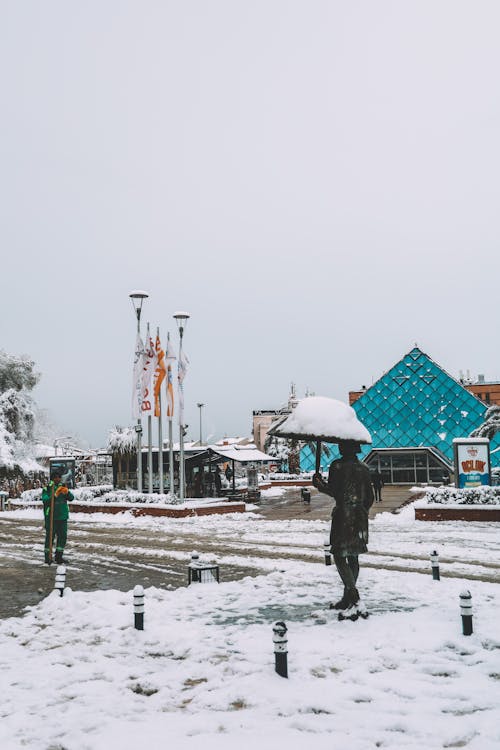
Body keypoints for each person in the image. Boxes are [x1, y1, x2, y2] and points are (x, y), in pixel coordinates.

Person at [313, 441, 374, 613]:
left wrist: (319, 485)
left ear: (344, 448)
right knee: (353, 556)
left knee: (340, 556)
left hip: (343, 516)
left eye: (341, 445)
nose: (339, 448)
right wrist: (360, 510)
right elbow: (370, 498)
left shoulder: (337, 466)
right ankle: (347, 598)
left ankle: (353, 596)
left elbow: (334, 491)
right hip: (360, 516)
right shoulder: (364, 468)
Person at [41, 470, 74, 564]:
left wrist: (67, 492)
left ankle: (59, 556)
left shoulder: (62, 487)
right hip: (51, 517)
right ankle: (48, 557)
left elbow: (71, 498)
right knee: (50, 537)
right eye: (55, 477)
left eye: (59, 477)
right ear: (52, 479)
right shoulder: (47, 488)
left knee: (62, 537)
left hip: (62, 517)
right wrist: (55, 495)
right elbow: (45, 500)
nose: (57, 479)